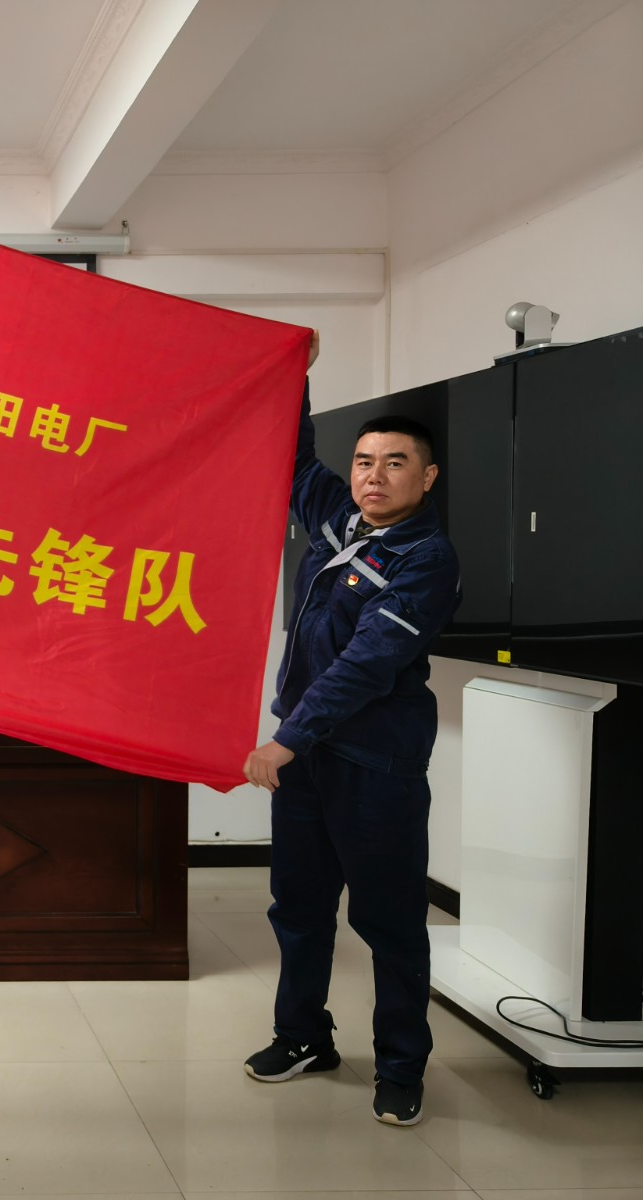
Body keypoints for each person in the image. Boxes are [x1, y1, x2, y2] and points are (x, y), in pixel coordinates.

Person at [241, 345, 460, 1128]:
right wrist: (293, 370)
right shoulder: (341, 522)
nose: (374, 476)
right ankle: (303, 1037)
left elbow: (366, 664)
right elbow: (296, 461)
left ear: (426, 477)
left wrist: (287, 738)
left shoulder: (425, 560)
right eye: (365, 461)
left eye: (395, 464)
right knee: (298, 909)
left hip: (375, 765)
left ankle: (401, 1067)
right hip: (306, 759)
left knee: (388, 922)